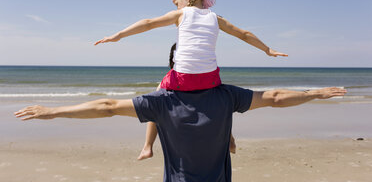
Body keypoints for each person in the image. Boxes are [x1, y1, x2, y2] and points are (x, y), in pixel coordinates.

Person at [94, 0, 288, 160]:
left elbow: (148, 23)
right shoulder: (216, 18)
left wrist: (118, 35)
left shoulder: (181, 14)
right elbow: (244, 34)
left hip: (182, 79)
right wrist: (267, 49)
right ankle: (229, 139)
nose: (175, 7)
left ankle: (147, 146)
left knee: (157, 95)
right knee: (222, 101)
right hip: (211, 79)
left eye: (176, 2)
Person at [14, 86, 347, 182]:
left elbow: (107, 106)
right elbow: (273, 98)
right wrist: (315, 93)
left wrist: (53, 111)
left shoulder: (162, 101)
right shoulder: (226, 95)